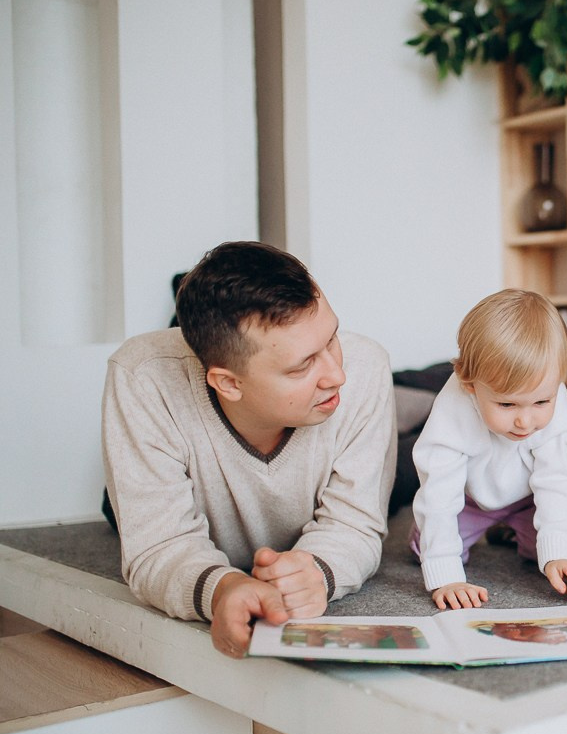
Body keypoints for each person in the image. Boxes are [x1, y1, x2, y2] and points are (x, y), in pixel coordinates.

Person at [101, 242, 398, 658]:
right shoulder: (142, 377)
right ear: (227, 382)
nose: (338, 375)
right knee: (114, 510)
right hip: (193, 446)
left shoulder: (364, 367)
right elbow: (157, 546)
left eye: (332, 340)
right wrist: (224, 588)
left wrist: (317, 573)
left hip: (314, 441)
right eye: (302, 366)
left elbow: (356, 524)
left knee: (424, 452)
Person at [410, 289, 567, 609]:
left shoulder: (551, 396)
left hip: (527, 500)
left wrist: (559, 554)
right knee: (425, 547)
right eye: (507, 403)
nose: (525, 420)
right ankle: (482, 531)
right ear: (469, 382)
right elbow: (439, 498)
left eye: (541, 402)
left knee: (562, 547)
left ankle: (511, 531)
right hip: (469, 501)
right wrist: (446, 575)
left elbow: (556, 482)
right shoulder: (451, 413)